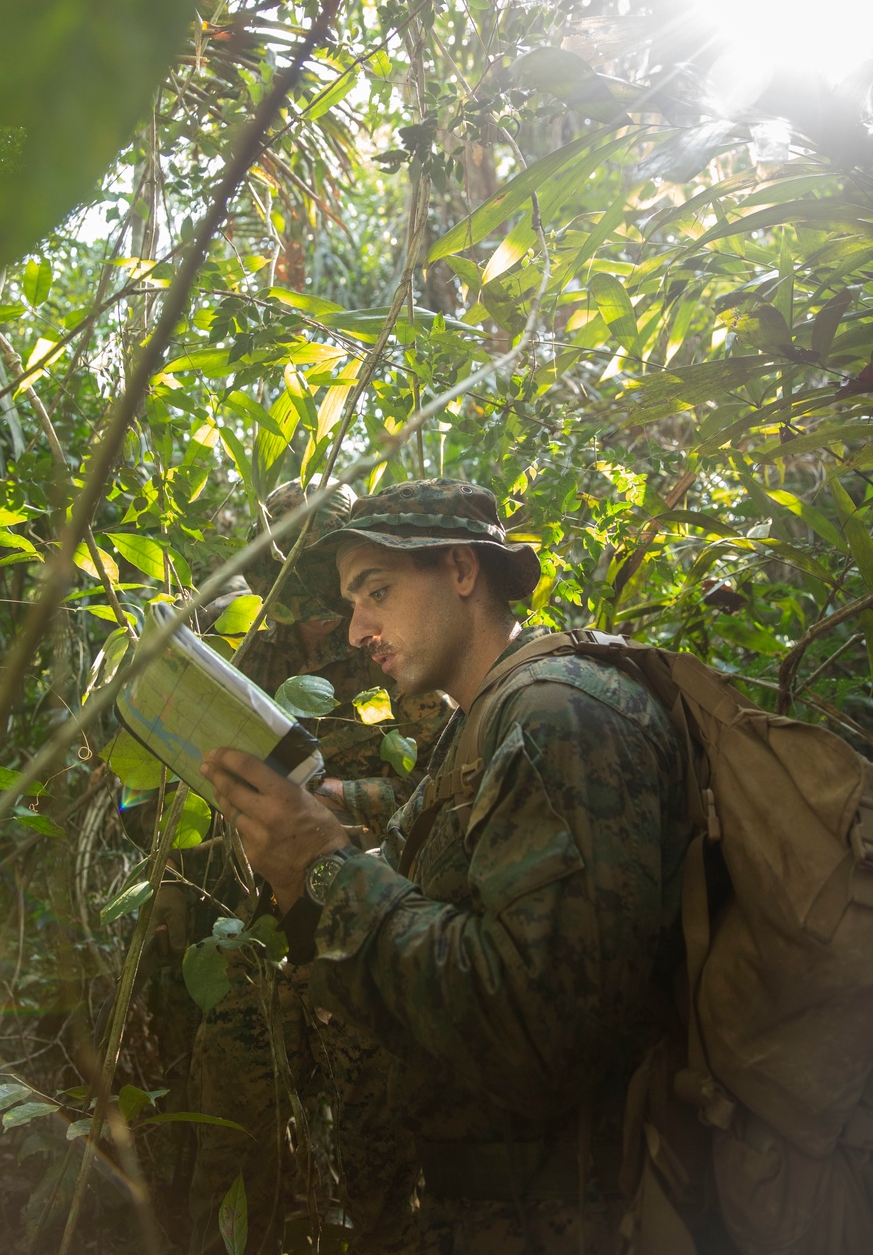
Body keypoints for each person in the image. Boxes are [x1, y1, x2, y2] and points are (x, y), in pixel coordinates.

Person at [201, 478, 691, 1255]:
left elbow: (540, 1036)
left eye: (378, 591)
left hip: (569, 1219)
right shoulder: (486, 725)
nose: (359, 630)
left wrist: (327, 868)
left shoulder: (557, 717)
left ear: (462, 571)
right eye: (353, 601)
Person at [185, 481, 451, 1255]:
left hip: (362, 920)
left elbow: (439, 788)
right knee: (234, 1137)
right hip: (257, 928)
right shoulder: (254, 649)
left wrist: (333, 797)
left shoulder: (392, 642)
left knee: (377, 1168)